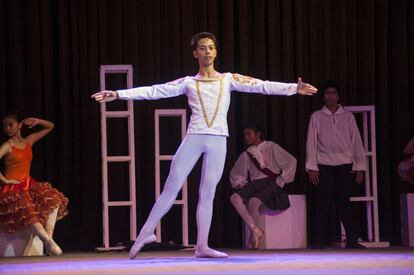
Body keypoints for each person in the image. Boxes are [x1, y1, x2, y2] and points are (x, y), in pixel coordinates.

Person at [92, 32, 317, 258]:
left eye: (211, 47)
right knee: (171, 187)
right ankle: (145, 234)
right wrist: (118, 94)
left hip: (218, 139)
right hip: (195, 137)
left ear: (216, 51)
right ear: (195, 53)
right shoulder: (189, 82)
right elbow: (155, 90)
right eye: (202, 48)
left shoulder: (228, 79)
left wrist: (292, 88)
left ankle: (202, 246)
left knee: (207, 192)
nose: (207, 51)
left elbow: (261, 85)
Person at [306, 80, 366, 249]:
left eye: (333, 93)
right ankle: (318, 241)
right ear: (323, 97)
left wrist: (359, 167)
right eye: (327, 93)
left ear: (338, 96)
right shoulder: (316, 116)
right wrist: (312, 166)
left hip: (344, 164)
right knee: (323, 202)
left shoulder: (347, 116)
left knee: (344, 203)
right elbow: (311, 142)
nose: (330, 96)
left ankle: (352, 240)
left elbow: (356, 142)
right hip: (323, 164)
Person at [0, 113, 68, 256]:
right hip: (13, 187)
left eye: (10, 124)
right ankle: (46, 240)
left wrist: (37, 120)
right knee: (26, 207)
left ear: (19, 125)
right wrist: (5, 180)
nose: (7, 128)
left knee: (53, 199)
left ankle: (49, 237)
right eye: (5, 125)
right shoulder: (8, 145)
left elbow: (50, 126)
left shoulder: (28, 141)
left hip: (28, 183)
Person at [229, 123, 297, 249]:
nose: (246, 137)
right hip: (255, 184)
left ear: (258, 134)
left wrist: (282, 179)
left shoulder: (271, 147)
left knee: (253, 202)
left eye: (249, 134)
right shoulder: (246, 154)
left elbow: (291, 161)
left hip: (272, 182)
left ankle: (253, 236)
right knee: (234, 198)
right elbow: (237, 173)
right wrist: (243, 184)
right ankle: (254, 229)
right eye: (245, 135)